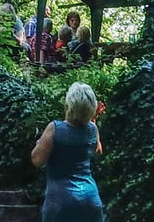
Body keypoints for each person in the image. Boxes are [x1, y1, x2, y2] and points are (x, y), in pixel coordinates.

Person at [31, 81, 105, 222]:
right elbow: (97, 150)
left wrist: (40, 144)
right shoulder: (92, 129)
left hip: (61, 202)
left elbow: (37, 160)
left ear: (68, 105)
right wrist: (93, 120)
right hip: (90, 200)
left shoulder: (55, 129)